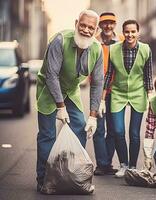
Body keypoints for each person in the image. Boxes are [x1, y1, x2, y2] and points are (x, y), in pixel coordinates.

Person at [36, 10, 103, 192]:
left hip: (71, 91)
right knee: (47, 135)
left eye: (91, 27)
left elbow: (97, 83)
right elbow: (51, 76)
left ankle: (73, 175)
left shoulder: (97, 49)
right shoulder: (60, 40)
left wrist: (93, 116)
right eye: (83, 25)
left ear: (96, 30)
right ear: (76, 23)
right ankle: (44, 179)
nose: (86, 30)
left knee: (80, 127)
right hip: (49, 90)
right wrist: (60, 107)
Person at [100, 19, 153, 178]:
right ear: (123, 33)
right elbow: (109, 74)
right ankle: (123, 164)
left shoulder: (145, 49)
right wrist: (103, 99)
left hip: (138, 93)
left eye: (133, 31)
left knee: (134, 133)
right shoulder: (113, 49)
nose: (130, 34)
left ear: (138, 32)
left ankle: (132, 166)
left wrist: (150, 95)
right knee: (117, 131)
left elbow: (148, 75)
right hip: (118, 93)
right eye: (127, 32)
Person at [93, 12, 124, 176]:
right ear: (100, 25)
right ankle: (101, 164)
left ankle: (107, 163)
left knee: (113, 129)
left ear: (115, 24)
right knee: (98, 128)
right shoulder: (94, 42)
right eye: (105, 23)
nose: (108, 26)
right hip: (98, 91)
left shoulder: (121, 40)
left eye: (111, 23)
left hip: (117, 91)